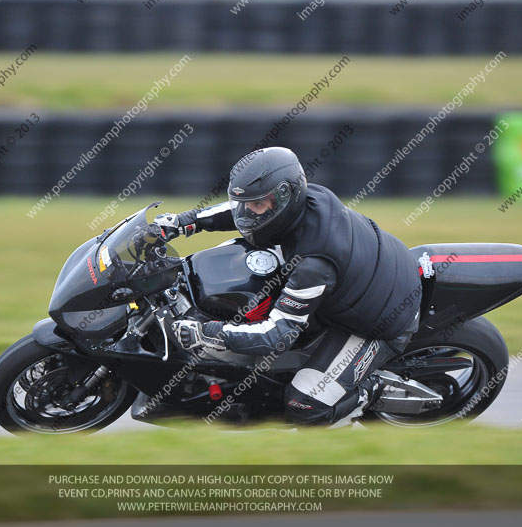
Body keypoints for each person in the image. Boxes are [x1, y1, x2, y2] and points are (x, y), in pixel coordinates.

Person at [155, 147, 422, 426]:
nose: (247, 214)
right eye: (244, 204)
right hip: (369, 273)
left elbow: (278, 335)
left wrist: (207, 333)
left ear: (284, 198)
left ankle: (374, 389)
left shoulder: (313, 263)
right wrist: (182, 223)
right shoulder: (305, 198)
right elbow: (237, 210)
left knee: (304, 405)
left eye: (257, 205)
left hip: (382, 319)